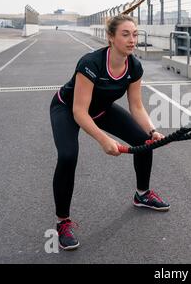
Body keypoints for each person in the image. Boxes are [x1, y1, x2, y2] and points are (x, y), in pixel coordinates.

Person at [49, 14, 170, 251]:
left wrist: (153, 131)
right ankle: (62, 222)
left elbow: (136, 105)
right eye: (125, 34)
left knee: (143, 141)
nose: (132, 40)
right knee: (67, 156)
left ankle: (142, 194)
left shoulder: (134, 66)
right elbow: (80, 112)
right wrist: (104, 140)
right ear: (111, 38)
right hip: (68, 108)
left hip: (101, 109)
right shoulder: (91, 64)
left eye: (135, 34)